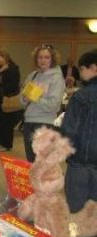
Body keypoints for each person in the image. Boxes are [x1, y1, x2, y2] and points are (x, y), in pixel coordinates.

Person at [61, 49, 97, 213]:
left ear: (93, 68)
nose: (81, 73)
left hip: (80, 163)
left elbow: (69, 131)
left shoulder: (81, 96)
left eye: (82, 69)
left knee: (77, 213)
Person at [20, 44, 65, 162]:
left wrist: (35, 98)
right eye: (40, 57)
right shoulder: (32, 76)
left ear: (52, 59)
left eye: (47, 57)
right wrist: (25, 99)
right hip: (29, 122)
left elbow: (54, 105)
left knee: (44, 163)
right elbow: (22, 100)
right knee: (31, 160)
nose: (43, 60)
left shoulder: (57, 78)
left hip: (46, 124)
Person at [0, 50, 22, 152]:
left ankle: (6, 144)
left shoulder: (13, 69)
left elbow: (12, 85)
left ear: (6, 57)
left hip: (7, 98)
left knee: (6, 122)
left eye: (0, 57)